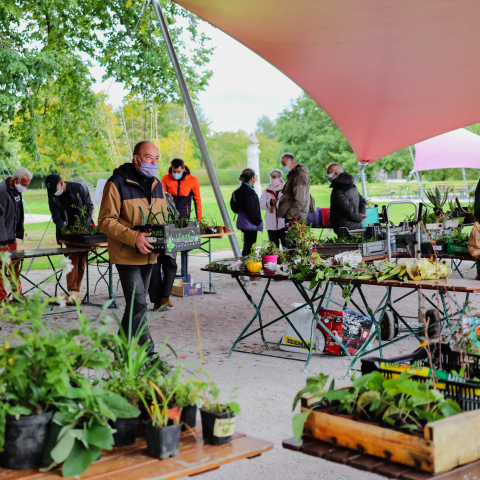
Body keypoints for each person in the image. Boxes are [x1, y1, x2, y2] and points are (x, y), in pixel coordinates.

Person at [99, 140, 167, 354]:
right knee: (139, 302)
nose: (153, 163)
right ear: (136, 159)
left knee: (135, 304)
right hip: (126, 253)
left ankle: (120, 350)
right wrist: (134, 237)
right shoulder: (116, 183)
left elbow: (161, 218)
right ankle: (148, 353)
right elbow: (106, 220)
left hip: (150, 253)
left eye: (157, 159)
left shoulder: (158, 184)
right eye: (149, 157)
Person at [45, 174, 94, 304]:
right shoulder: (52, 195)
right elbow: (56, 216)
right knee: (73, 258)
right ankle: (71, 290)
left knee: (82, 260)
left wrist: (84, 225)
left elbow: (89, 207)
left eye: (56, 190)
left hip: (83, 230)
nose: (55, 193)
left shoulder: (79, 188)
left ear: (61, 183)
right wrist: (64, 229)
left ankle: (76, 291)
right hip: (68, 232)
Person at [161, 158, 202, 279]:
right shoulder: (165, 178)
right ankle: (167, 275)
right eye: (174, 171)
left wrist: (199, 219)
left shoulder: (193, 180)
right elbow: (160, 198)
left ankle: (184, 275)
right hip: (169, 218)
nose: (176, 173)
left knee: (185, 248)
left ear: (184, 169)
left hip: (185, 218)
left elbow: (197, 200)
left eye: (178, 171)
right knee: (168, 247)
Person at [0, 167, 32, 302]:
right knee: (1, 267)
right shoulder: (2, 192)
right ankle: (1, 298)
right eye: (24, 184)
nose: (25, 187)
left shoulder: (16, 190)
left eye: (27, 185)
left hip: (11, 236)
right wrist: (3, 241)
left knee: (14, 266)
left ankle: (17, 295)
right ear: (15, 180)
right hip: (2, 238)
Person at [148, 191, 179, 311]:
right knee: (169, 266)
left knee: (154, 268)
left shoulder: (143, 196)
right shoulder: (165, 196)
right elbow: (175, 215)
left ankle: (158, 301)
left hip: (152, 235)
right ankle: (164, 299)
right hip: (166, 235)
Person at [326, 162, 367, 234]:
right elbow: (363, 202)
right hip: (357, 226)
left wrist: (359, 217)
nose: (327, 175)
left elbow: (347, 210)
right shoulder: (352, 185)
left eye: (328, 173)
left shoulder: (337, 190)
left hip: (344, 229)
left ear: (335, 174)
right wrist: (361, 215)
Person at [230, 168, 263, 256]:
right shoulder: (250, 192)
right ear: (252, 178)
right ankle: (247, 266)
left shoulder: (237, 192)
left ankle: (245, 264)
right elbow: (252, 210)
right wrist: (258, 222)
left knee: (247, 245)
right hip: (251, 224)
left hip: (243, 221)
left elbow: (233, 207)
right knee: (250, 247)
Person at [277, 153, 311, 222]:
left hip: (295, 217)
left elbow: (300, 200)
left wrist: (290, 214)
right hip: (293, 215)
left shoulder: (299, 176)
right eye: (282, 164)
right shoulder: (293, 175)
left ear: (292, 163)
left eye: (285, 164)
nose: (283, 167)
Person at [260, 169, 287, 248]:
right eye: (271, 177)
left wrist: (276, 204)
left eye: (274, 177)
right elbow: (261, 205)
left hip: (283, 223)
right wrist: (270, 202)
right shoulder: (267, 190)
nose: (273, 179)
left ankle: (285, 260)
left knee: (286, 247)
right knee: (274, 249)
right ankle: (276, 260)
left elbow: (287, 203)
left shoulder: (286, 189)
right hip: (271, 225)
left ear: (280, 178)